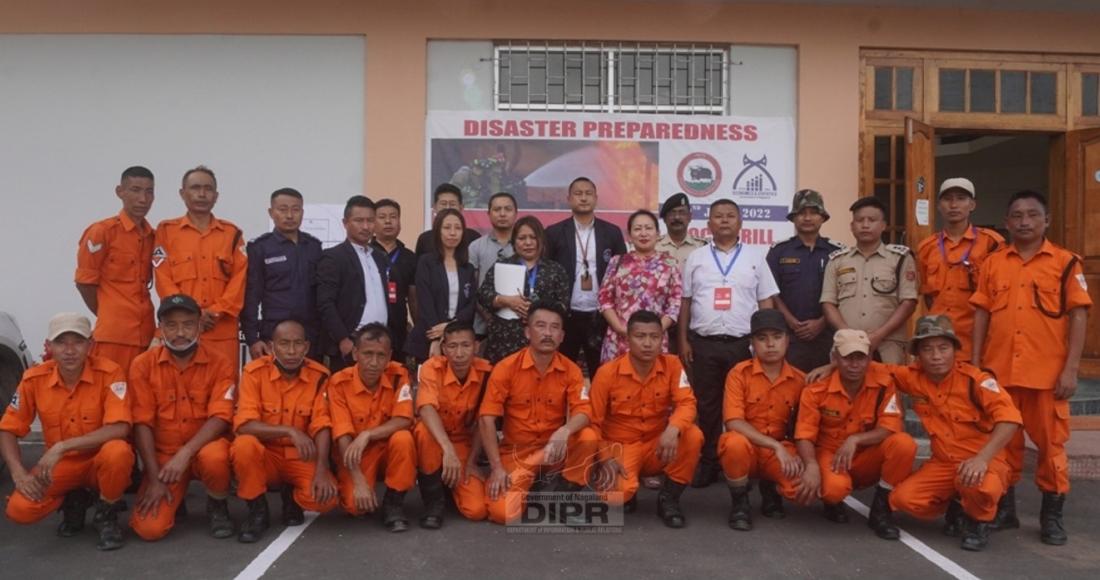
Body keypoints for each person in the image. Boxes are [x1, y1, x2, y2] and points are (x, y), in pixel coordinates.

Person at [970, 190, 1091, 546]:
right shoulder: (993, 263)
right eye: (1017, 216)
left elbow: (1079, 315)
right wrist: (976, 365)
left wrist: (1071, 370)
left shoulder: (1066, 263)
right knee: (1004, 446)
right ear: (1006, 222)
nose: (1024, 222)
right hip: (1000, 373)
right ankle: (1004, 510)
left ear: (1046, 220)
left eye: (1032, 215)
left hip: (1046, 376)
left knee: (1051, 449)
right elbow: (980, 313)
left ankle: (1051, 517)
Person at [852, 315, 1021, 552]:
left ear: (954, 350)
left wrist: (982, 459)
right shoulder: (913, 377)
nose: (936, 356)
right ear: (918, 355)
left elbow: (1010, 419)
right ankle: (956, 502)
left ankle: (977, 522)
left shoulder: (977, 381)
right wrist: (830, 364)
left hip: (982, 461)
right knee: (903, 499)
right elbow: (865, 367)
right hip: (943, 463)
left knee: (980, 487)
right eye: (927, 349)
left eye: (943, 348)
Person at [1, 313, 133, 551]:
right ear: (49, 346)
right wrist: (18, 473)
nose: (69, 350)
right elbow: (8, 429)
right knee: (19, 511)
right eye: (61, 342)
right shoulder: (34, 379)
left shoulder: (110, 373)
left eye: (78, 342)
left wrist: (63, 446)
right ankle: (74, 498)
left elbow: (120, 427)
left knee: (118, 452)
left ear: (91, 345)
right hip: (59, 467)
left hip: (97, 461)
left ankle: (107, 513)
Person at [679, 199, 779, 488]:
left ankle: (743, 461)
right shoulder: (696, 258)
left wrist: (765, 341)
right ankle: (709, 462)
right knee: (707, 405)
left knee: (745, 407)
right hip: (705, 343)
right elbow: (686, 302)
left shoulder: (756, 256)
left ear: (740, 222)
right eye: (718, 216)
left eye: (730, 216)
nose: (724, 221)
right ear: (708, 223)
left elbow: (766, 301)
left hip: (743, 345)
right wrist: (684, 340)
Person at [478, 301, 599, 525]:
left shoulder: (571, 370)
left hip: (553, 451)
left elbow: (584, 410)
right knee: (503, 513)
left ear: (562, 336)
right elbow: (486, 418)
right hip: (517, 454)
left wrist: (565, 430)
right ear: (527, 331)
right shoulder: (506, 368)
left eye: (554, 328)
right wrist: (496, 468)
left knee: (588, 436)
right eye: (540, 326)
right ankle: (534, 488)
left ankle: (561, 497)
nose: (547, 333)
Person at [128, 294, 236, 541]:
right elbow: (141, 423)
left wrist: (185, 453)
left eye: (188, 324)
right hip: (164, 459)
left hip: (201, 451)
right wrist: (154, 477)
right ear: (161, 328)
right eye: (172, 325)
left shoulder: (220, 362)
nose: (180, 332)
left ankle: (217, 504)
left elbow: (221, 416)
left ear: (199, 326)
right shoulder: (142, 365)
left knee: (216, 456)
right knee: (149, 530)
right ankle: (173, 499)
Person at [793, 329, 917, 540]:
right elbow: (804, 434)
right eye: (847, 358)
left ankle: (881, 510)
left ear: (869, 358)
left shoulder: (884, 382)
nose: (854, 364)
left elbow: (890, 426)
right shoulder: (816, 389)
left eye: (860, 357)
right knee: (834, 490)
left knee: (904, 444)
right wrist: (811, 465)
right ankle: (832, 502)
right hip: (831, 455)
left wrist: (856, 439)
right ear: (835, 359)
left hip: (865, 455)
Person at [587, 311, 703, 528]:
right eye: (640, 336)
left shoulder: (672, 365)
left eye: (654, 337)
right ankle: (625, 491)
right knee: (618, 495)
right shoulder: (607, 373)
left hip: (657, 445)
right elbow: (593, 423)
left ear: (662, 339)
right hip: (620, 447)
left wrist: (672, 429)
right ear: (627, 339)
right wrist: (604, 459)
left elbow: (687, 403)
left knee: (693, 435)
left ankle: (669, 498)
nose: (648, 343)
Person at [231, 320, 338, 543]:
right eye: (284, 344)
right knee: (244, 446)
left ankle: (292, 498)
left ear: (307, 347)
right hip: (266, 454)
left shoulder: (320, 376)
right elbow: (244, 425)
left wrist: (322, 469)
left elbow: (322, 425)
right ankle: (257, 511)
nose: (291, 351)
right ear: (271, 347)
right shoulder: (254, 373)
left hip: (301, 455)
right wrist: (290, 431)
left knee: (326, 500)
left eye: (298, 344)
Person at [153, 165, 248, 373]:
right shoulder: (166, 232)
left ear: (216, 196)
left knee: (223, 390)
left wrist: (215, 313)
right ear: (182, 193)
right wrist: (192, 314)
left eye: (208, 189)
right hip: (180, 330)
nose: (202, 194)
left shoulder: (232, 234)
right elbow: (162, 278)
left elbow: (239, 281)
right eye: (195, 188)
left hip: (220, 330)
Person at [717, 309, 804, 531]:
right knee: (732, 443)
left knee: (802, 489)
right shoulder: (739, 373)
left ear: (787, 340)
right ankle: (740, 502)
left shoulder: (800, 379)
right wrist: (774, 446)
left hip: (781, 449)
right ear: (752, 343)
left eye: (777, 337)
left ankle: (772, 490)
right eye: (762, 338)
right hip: (749, 446)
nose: (770, 344)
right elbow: (733, 421)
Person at [327, 323, 416, 532]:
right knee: (355, 506)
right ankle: (361, 484)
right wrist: (358, 481)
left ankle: (394, 503)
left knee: (404, 438)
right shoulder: (339, 382)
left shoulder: (398, 375)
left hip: (386, 448)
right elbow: (342, 434)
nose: (374, 362)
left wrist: (367, 434)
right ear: (355, 353)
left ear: (389, 356)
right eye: (368, 354)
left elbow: (404, 419)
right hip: (354, 454)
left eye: (380, 355)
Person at [74, 165, 156, 375]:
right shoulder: (102, 232)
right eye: (135, 190)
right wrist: (109, 312)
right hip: (113, 336)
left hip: (146, 334)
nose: (143, 199)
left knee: (142, 399)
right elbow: (85, 282)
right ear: (120, 192)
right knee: (111, 393)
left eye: (149, 192)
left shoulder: (152, 237)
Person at [545, 177, 628, 376]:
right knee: (561, 371)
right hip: (566, 314)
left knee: (602, 372)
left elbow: (622, 273)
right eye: (578, 194)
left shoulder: (612, 232)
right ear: (569, 199)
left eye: (588, 193)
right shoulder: (554, 232)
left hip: (600, 316)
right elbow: (546, 273)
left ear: (596, 198)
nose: (583, 198)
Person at [413, 321, 493, 528]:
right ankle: (433, 503)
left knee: (477, 510)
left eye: (465, 346)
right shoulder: (432, 367)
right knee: (423, 432)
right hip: (436, 438)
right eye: (452, 346)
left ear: (476, 346)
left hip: (463, 443)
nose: (459, 354)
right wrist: (447, 449)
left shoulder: (487, 373)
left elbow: (483, 420)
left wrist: (472, 461)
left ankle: (450, 486)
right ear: (443, 348)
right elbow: (426, 408)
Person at [821, 197, 918, 364]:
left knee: (888, 388)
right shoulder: (838, 260)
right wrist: (850, 336)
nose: (865, 225)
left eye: (872, 220)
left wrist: (878, 335)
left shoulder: (900, 258)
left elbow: (908, 302)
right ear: (852, 226)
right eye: (859, 220)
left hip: (887, 345)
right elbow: (828, 303)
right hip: (846, 345)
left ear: (883, 225)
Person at [916, 178, 1004, 360]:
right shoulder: (926, 247)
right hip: (937, 344)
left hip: (977, 342)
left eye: (961, 198)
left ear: (972, 205)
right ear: (939, 205)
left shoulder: (991, 242)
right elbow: (928, 297)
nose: (954, 205)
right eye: (947, 199)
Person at [767, 189, 844, 372]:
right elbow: (771, 291)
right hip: (790, 336)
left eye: (813, 213)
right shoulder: (779, 251)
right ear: (794, 218)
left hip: (828, 335)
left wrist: (822, 322)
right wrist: (792, 321)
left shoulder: (838, 253)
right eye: (801, 213)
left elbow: (845, 294)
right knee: (790, 389)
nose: (807, 218)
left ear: (823, 217)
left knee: (826, 390)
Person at [243, 188, 323, 362]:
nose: (289, 215)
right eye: (283, 209)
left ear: (302, 212)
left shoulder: (314, 246)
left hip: (309, 336)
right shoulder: (260, 248)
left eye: (295, 209)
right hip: (274, 334)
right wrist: (252, 339)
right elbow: (251, 296)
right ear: (271, 212)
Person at [478, 215, 570, 364]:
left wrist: (536, 311)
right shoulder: (502, 265)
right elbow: (483, 295)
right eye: (522, 238)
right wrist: (505, 300)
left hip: (542, 341)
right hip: (504, 340)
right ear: (514, 242)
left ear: (541, 240)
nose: (528, 243)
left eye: (533, 237)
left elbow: (563, 306)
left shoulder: (556, 270)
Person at [597, 210, 682, 363]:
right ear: (629, 235)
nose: (643, 233)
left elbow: (675, 304)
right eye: (637, 229)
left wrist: (655, 331)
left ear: (658, 233)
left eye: (648, 228)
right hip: (619, 338)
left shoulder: (669, 263)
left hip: (654, 340)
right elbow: (604, 300)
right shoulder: (617, 262)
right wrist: (621, 329)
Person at [316, 195, 390, 372]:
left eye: (370, 221)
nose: (366, 226)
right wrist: (343, 339)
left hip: (380, 343)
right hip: (351, 343)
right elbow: (325, 303)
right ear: (345, 222)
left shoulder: (380, 257)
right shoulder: (333, 257)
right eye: (359, 220)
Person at [408, 209, 478, 361]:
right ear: (438, 231)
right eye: (447, 228)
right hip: (428, 336)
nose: (452, 233)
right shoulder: (426, 262)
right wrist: (436, 338)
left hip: (458, 338)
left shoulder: (468, 268)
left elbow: (471, 304)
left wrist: (449, 327)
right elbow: (425, 302)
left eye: (458, 228)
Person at [371, 198, 418, 361]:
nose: (388, 221)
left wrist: (417, 330)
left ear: (399, 222)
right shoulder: (365, 253)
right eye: (382, 217)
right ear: (373, 222)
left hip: (398, 328)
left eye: (393, 216)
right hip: (369, 328)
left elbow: (413, 298)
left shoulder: (409, 257)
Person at [468, 192, 517, 340]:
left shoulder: (524, 246)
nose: (502, 214)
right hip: (483, 324)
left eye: (507, 209)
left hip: (518, 323)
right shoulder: (476, 247)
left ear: (516, 213)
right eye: (497, 209)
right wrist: (487, 315)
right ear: (488, 214)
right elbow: (472, 287)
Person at [414, 183, 481, 259]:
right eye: (443, 204)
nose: (448, 208)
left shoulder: (474, 237)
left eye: (452, 204)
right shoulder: (425, 239)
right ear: (434, 207)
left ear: (461, 207)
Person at [655, 193, 706, 267]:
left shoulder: (701, 246)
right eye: (672, 213)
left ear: (690, 217)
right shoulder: (654, 246)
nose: (677, 217)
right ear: (664, 219)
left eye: (682, 213)